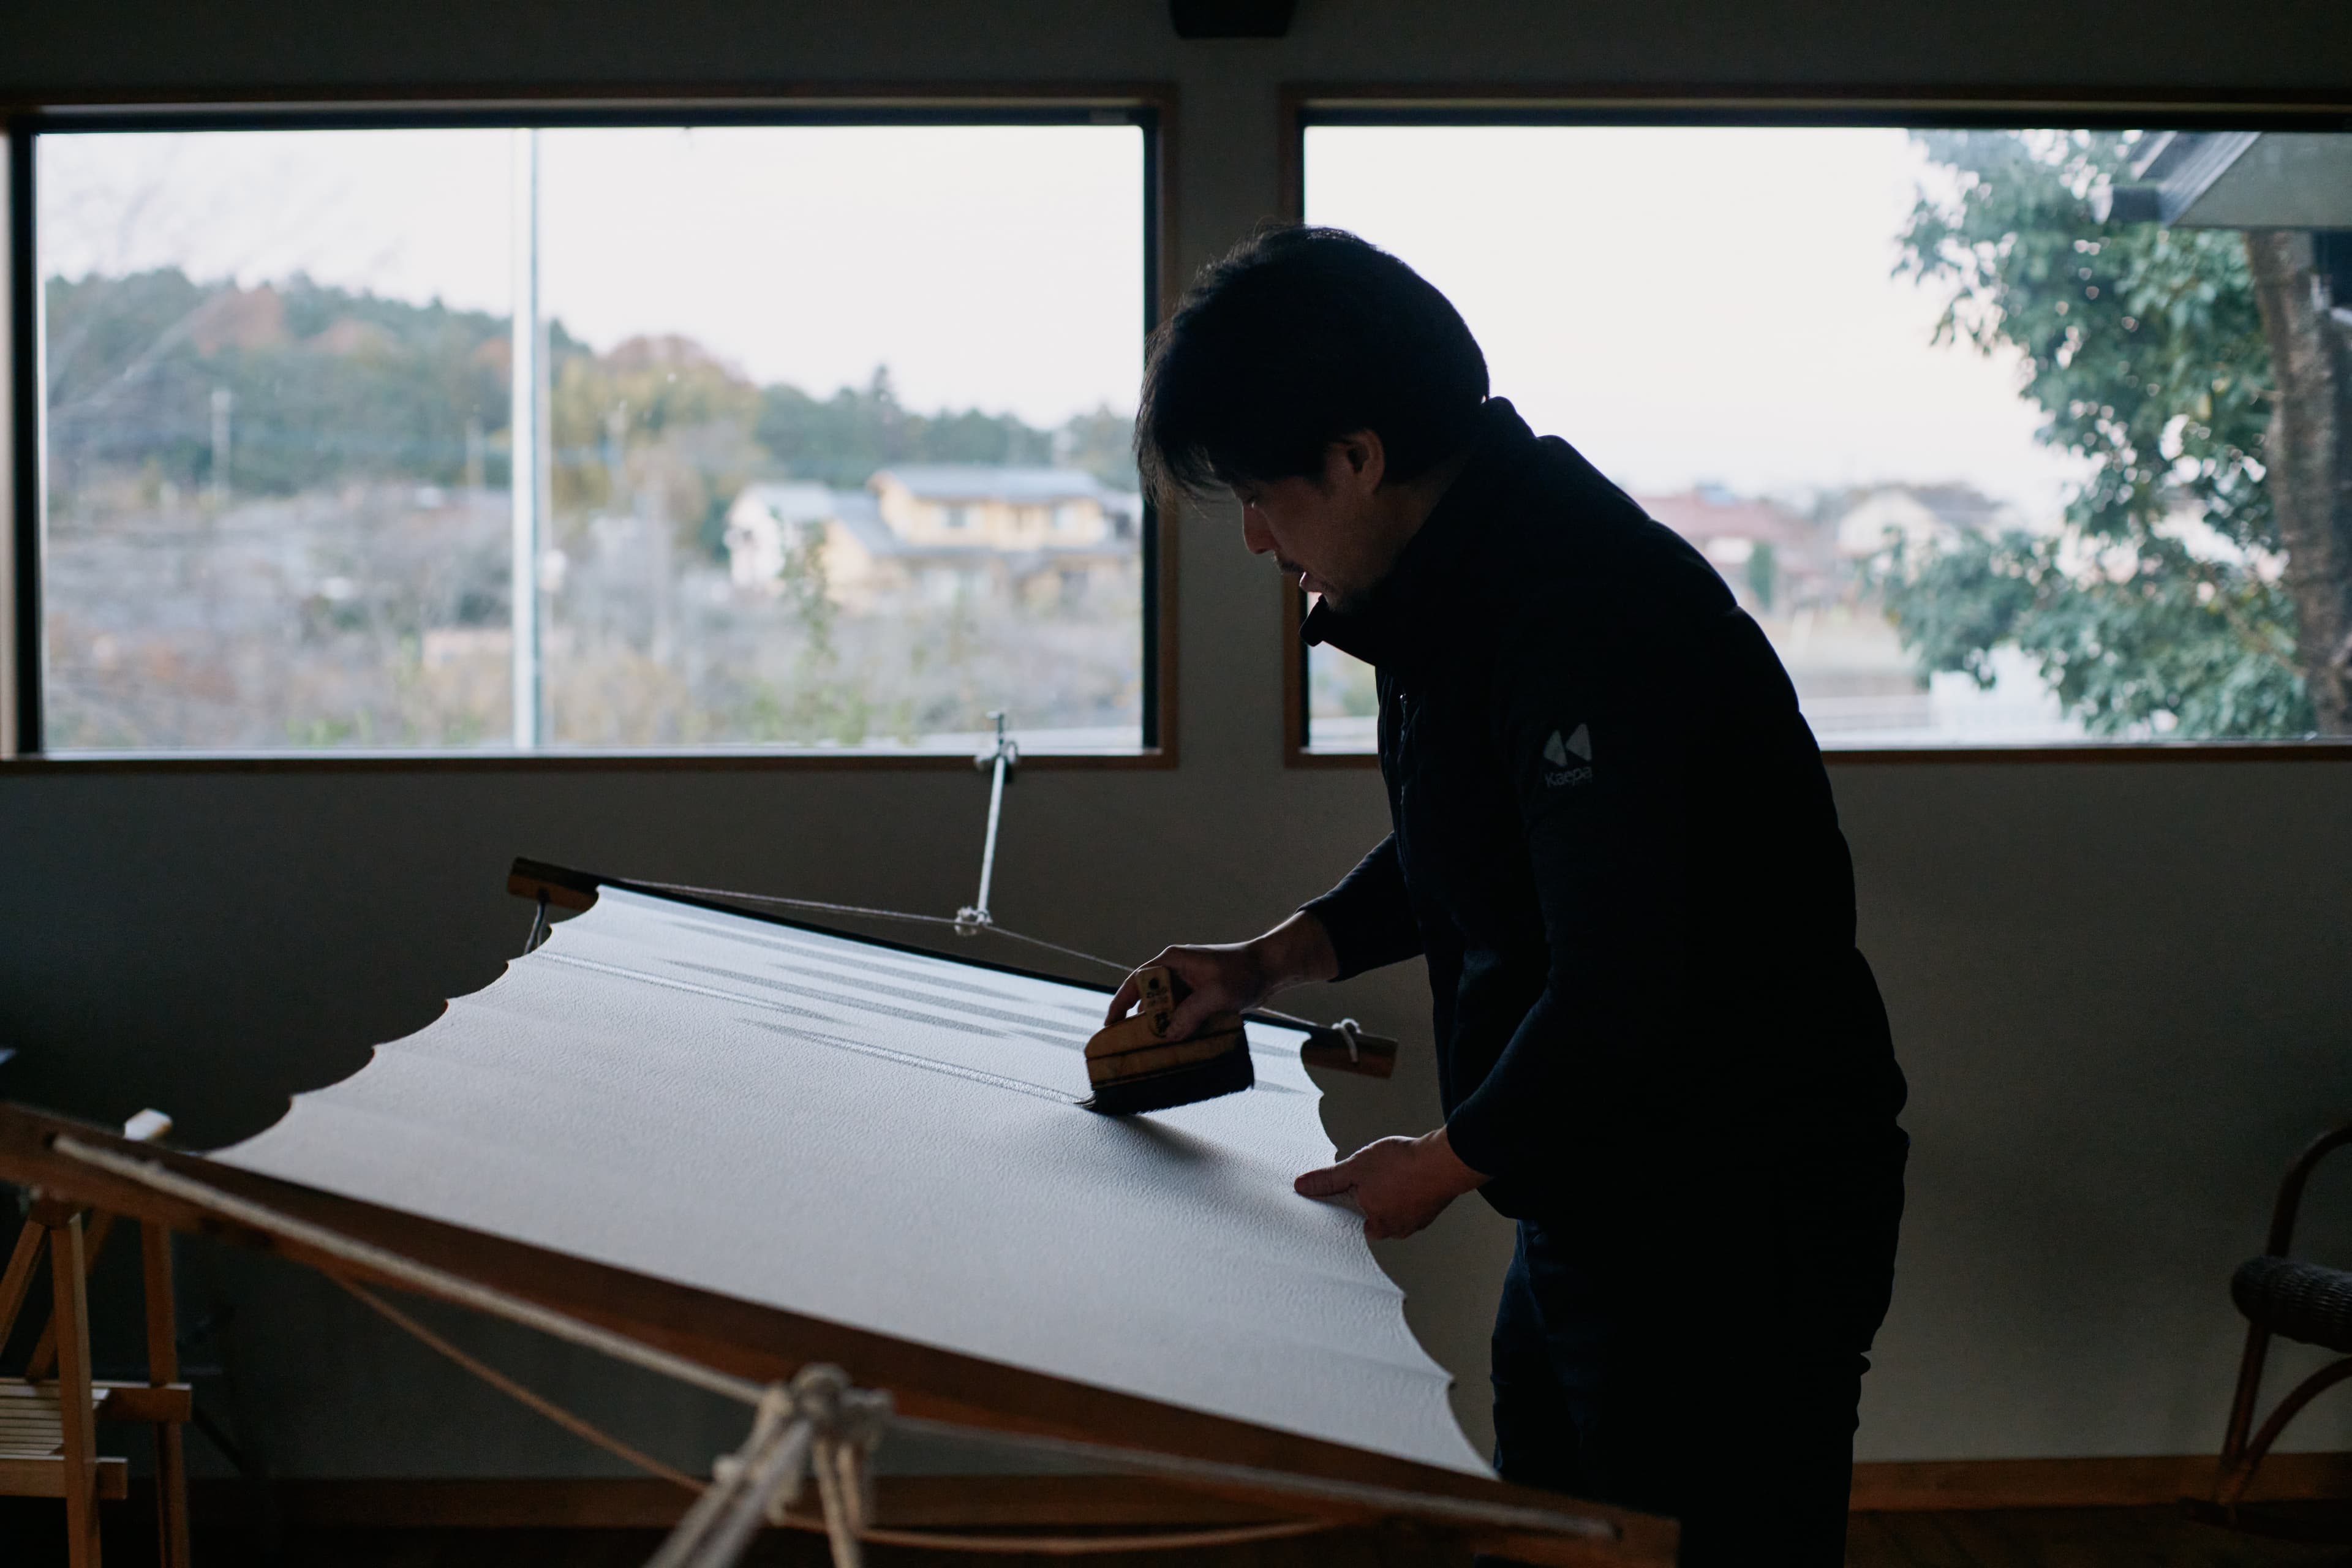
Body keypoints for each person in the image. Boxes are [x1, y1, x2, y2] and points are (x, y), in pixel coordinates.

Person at [1106, 227, 1909, 1567]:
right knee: (1554, 1519)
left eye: (1260, 494)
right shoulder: (1452, 580)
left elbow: (1624, 975)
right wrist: (1267, 962)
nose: (1254, 537)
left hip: (1734, 1201)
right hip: (1598, 1181)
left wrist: (1439, 1164)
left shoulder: (1584, 610)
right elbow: (1470, 849)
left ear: (1357, 458)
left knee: (1700, 1538)